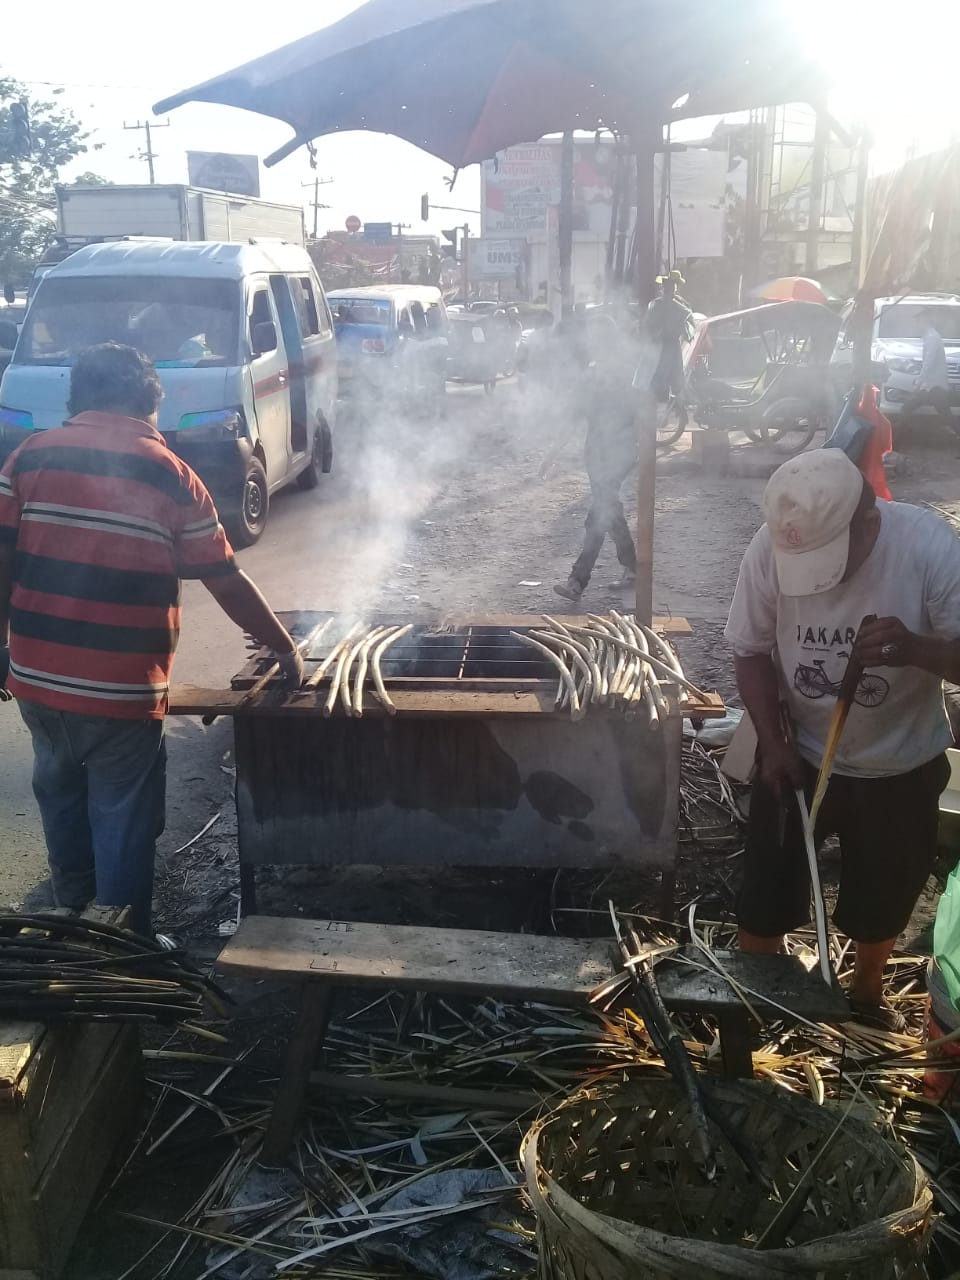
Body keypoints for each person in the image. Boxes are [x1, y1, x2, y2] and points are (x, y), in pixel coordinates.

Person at [0, 343, 303, 937]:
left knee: (60, 792)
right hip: (121, 690)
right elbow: (226, 581)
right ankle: (123, 941)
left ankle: (72, 919)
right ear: (149, 403)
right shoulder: (170, 474)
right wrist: (283, 646)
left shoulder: (29, 459)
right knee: (122, 814)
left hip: (35, 677)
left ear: (77, 400)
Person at [725, 448, 960, 1029]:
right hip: (798, 752)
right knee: (766, 888)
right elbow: (751, 651)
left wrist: (913, 649)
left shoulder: (930, 547)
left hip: (899, 763)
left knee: (884, 896)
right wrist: (777, 747)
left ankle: (865, 992)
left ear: (869, 519)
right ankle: (759, 989)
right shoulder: (771, 545)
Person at [554, 313, 637, 601]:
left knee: (599, 515)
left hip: (619, 455)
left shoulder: (629, 375)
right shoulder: (591, 375)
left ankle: (578, 580)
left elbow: (643, 416)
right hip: (597, 455)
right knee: (610, 511)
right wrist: (551, 455)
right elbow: (574, 417)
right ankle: (632, 566)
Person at [901, 307, 952, 426]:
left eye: (918, 321)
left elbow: (928, 363)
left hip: (934, 386)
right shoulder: (930, 336)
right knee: (946, 414)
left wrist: (919, 382)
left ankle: (898, 434)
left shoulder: (932, 337)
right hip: (933, 386)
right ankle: (899, 432)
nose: (916, 325)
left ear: (924, 320)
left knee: (907, 407)